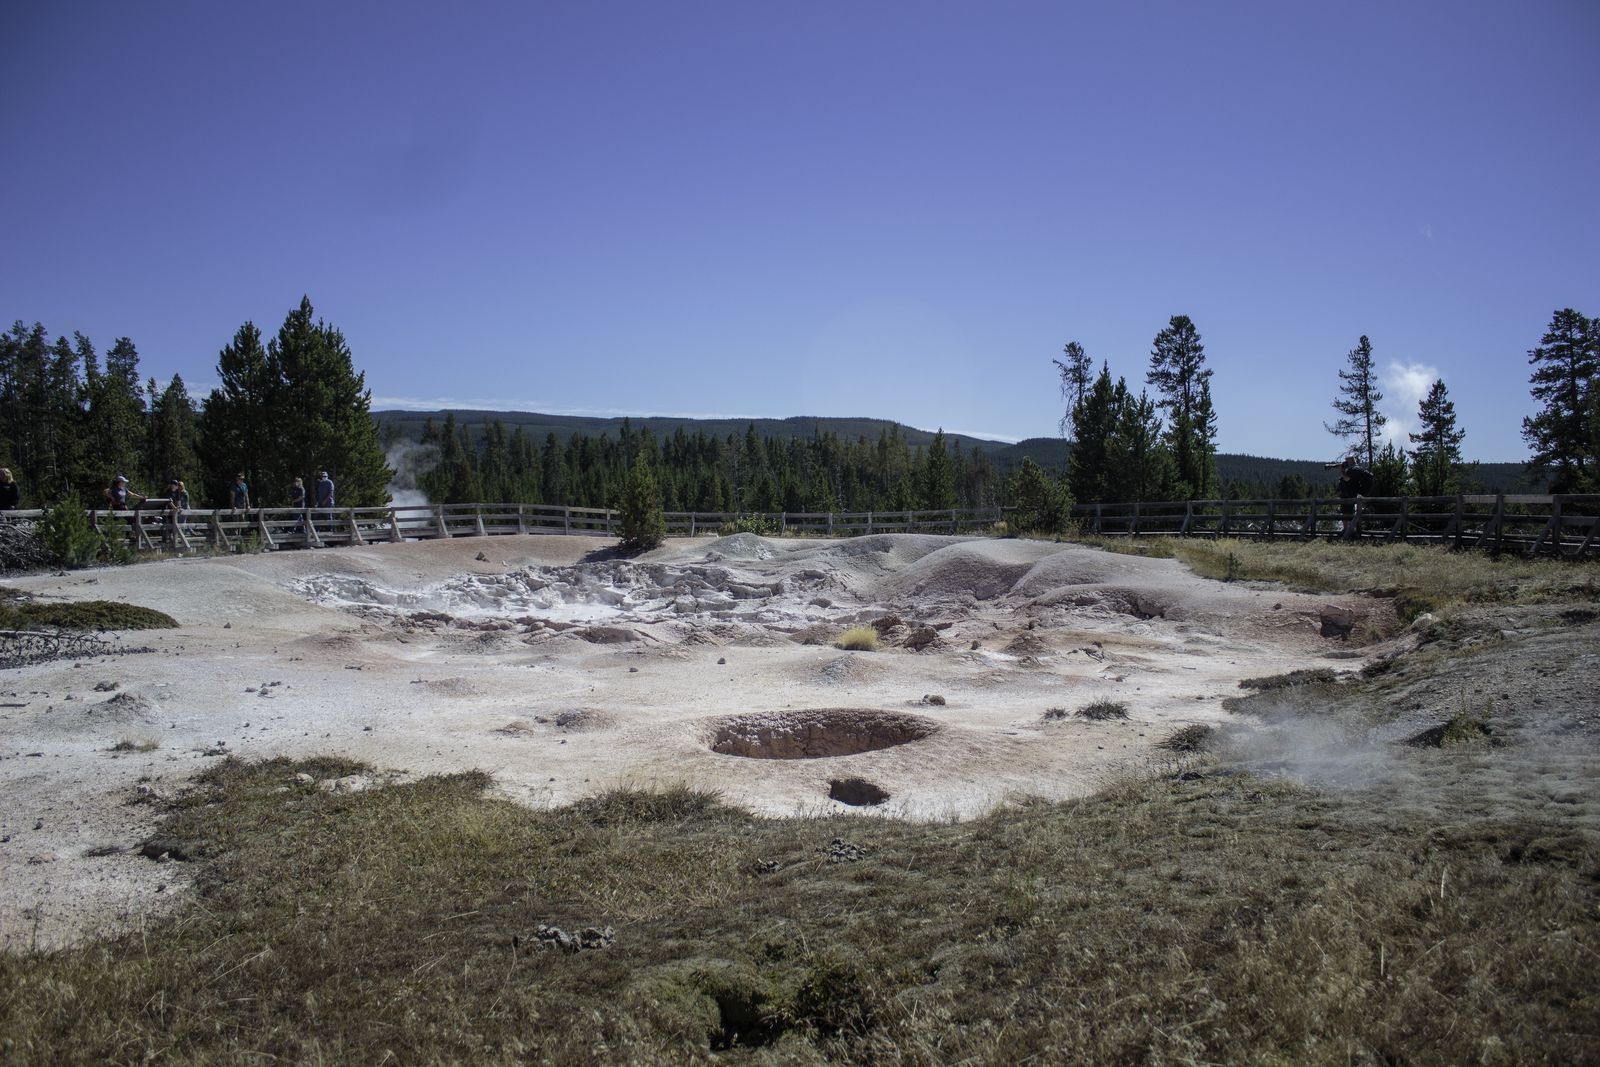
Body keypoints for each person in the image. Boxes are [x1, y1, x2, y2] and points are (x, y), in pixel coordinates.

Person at [1325, 456, 1373, 537]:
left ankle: (1349, 531)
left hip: (1349, 495)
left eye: (1346, 462)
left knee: (1347, 513)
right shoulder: (1355, 469)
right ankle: (1348, 530)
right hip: (1349, 494)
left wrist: (1341, 471)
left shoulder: (1354, 469)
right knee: (1346, 512)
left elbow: (1347, 479)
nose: (1344, 463)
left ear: (1350, 461)